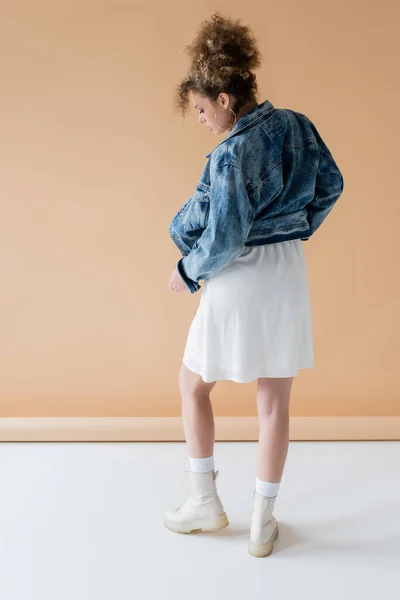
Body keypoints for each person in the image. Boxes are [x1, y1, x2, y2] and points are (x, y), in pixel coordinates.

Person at [165, 13, 344, 558]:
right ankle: (263, 524)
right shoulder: (298, 124)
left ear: (223, 97)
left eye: (200, 108)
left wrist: (187, 270)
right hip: (286, 272)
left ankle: (205, 503)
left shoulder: (230, 153)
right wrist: (295, 228)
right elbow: (332, 183)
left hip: (238, 275)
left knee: (193, 385)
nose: (200, 118)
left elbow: (224, 235)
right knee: (274, 402)